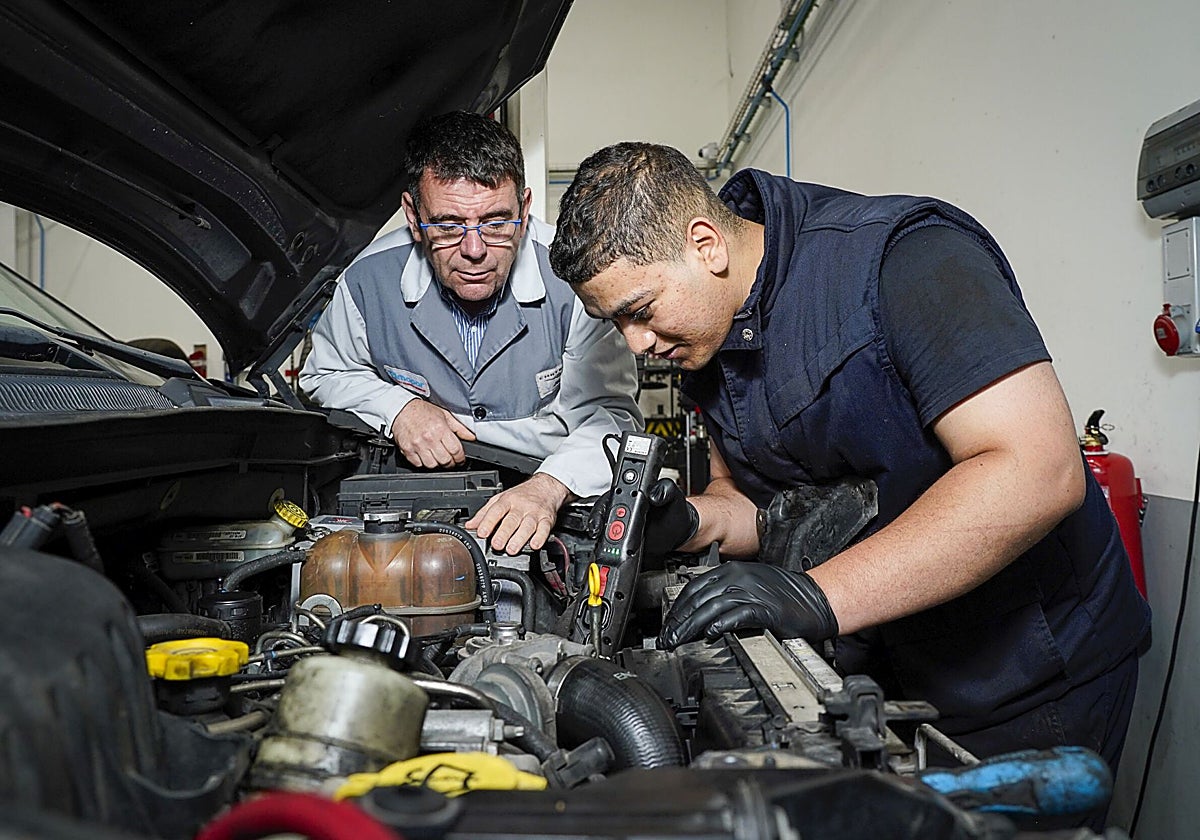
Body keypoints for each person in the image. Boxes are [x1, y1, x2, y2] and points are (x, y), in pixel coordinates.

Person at [550, 142, 1150, 816]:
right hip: (873, 674)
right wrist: (690, 523)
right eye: (615, 324)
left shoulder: (906, 259)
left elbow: (1036, 472)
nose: (636, 345)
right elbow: (757, 505)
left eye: (639, 309)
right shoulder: (703, 336)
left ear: (705, 244)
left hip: (1026, 675)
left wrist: (815, 595)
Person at [300, 112, 641, 555]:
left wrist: (549, 488)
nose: (475, 250)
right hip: (414, 500)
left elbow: (611, 419)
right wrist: (398, 407)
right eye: (447, 226)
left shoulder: (574, 282)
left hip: (550, 495)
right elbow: (325, 374)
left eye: (497, 222)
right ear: (412, 214)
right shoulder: (367, 281)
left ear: (525, 208)